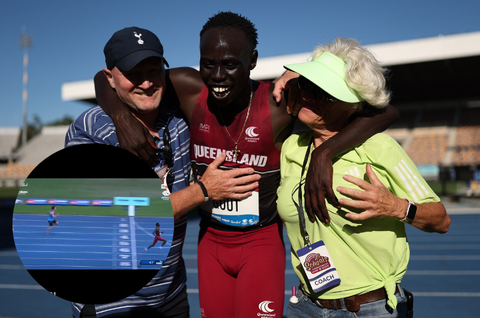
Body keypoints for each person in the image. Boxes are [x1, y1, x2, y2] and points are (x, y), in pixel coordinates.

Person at [95, 12, 400, 318]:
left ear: (252, 60)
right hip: (210, 242)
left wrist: (325, 153)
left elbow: (385, 111)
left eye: (230, 64)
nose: (217, 75)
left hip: (260, 243)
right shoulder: (189, 90)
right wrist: (121, 119)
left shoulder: (279, 102)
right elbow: (104, 77)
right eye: (208, 63)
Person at [65, 26, 260, 318]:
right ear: (110, 78)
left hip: (170, 295)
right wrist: (203, 191)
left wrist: (293, 80)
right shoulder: (90, 129)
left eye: (153, 71)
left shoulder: (176, 119)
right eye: (133, 74)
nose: (146, 82)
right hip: (112, 302)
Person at [276, 37, 451, 317]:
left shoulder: (381, 148)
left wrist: (396, 207)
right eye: (308, 86)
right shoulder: (291, 147)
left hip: (369, 309)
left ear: (352, 105)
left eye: (323, 92)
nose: (308, 96)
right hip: (306, 306)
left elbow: (441, 220)